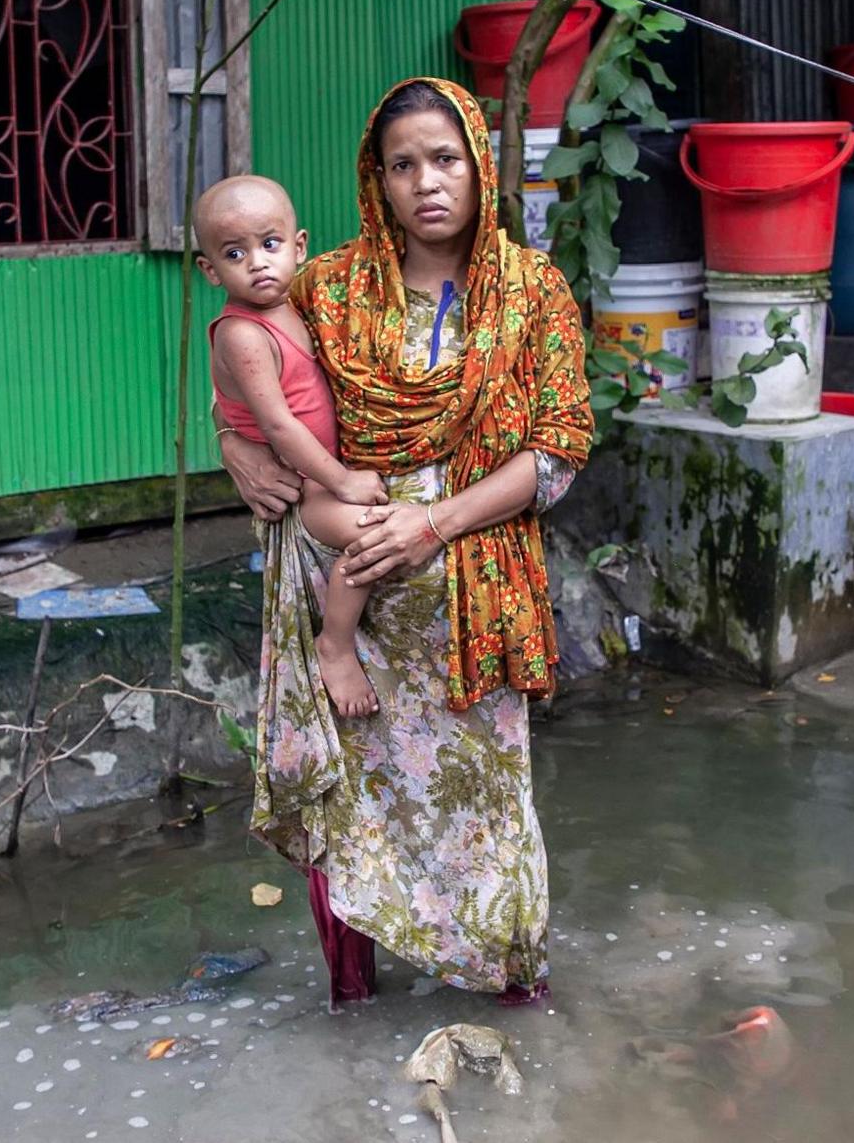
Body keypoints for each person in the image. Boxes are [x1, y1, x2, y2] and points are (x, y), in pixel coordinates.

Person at [216, 77, 592, 1007]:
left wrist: (435, 522)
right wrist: (231, 448)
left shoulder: (534, 293)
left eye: (445, 158)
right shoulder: (327, 285)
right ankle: (352, 1002)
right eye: (403, 164)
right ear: (375, 179)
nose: (427, 182)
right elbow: (248, 359)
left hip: (471, 588)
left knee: (489, 811)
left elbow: (561, 451)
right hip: (341, 586)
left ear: (480, 164)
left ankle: (516, 998)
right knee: (348, 801)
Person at [196, 175, 388, 717]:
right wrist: (342, 480)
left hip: (322, 471)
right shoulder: (242, 333)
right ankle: (337, 644)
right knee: (371, 539)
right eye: (236, 253)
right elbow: (278, 427)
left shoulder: (299, 302)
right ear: (211, 270)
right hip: (305, 486)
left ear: (299, 247)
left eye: (270, 244)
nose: (258, 262)